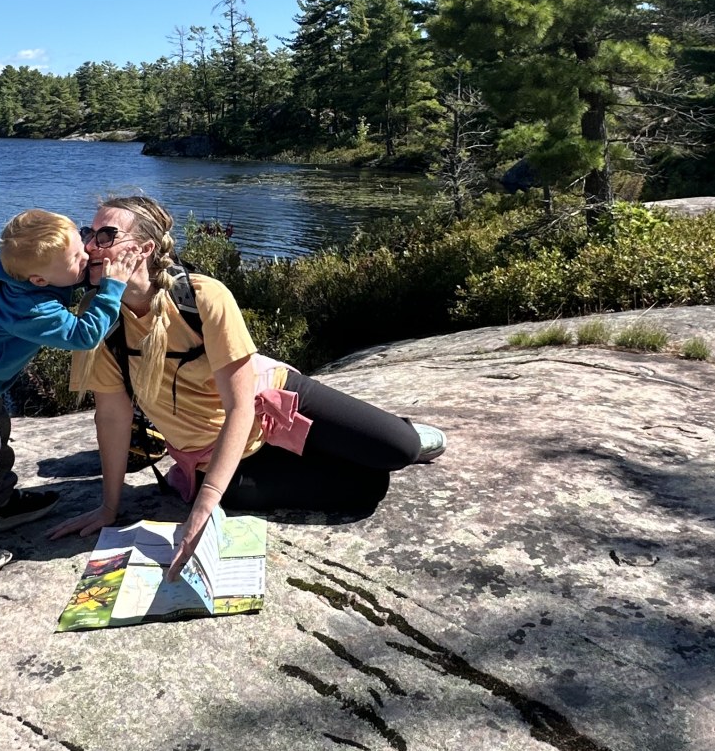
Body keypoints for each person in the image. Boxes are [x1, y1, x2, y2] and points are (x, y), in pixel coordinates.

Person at [48, 194, 446, 579]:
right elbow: (112, 417)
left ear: (144, 249)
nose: (90, 246)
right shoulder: (96, 320)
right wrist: (109, 508)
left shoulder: (201, 296)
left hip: (271, 400)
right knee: (366, 485)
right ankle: (324, 448)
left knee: (398, 448)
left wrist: (206, 502)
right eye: (88, 233)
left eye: (106, 236)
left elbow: (240, 406)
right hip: (218, 455)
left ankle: (399, 433)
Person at [0, 208, 140, 578]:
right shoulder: (28, 306)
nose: (87, 253)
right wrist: (112, 287)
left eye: (82, 241)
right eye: (77, 256)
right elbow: (83, 335)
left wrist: (81, 266)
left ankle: (4, 502)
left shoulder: (28, 274)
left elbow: (62, 274)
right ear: (39, 280)